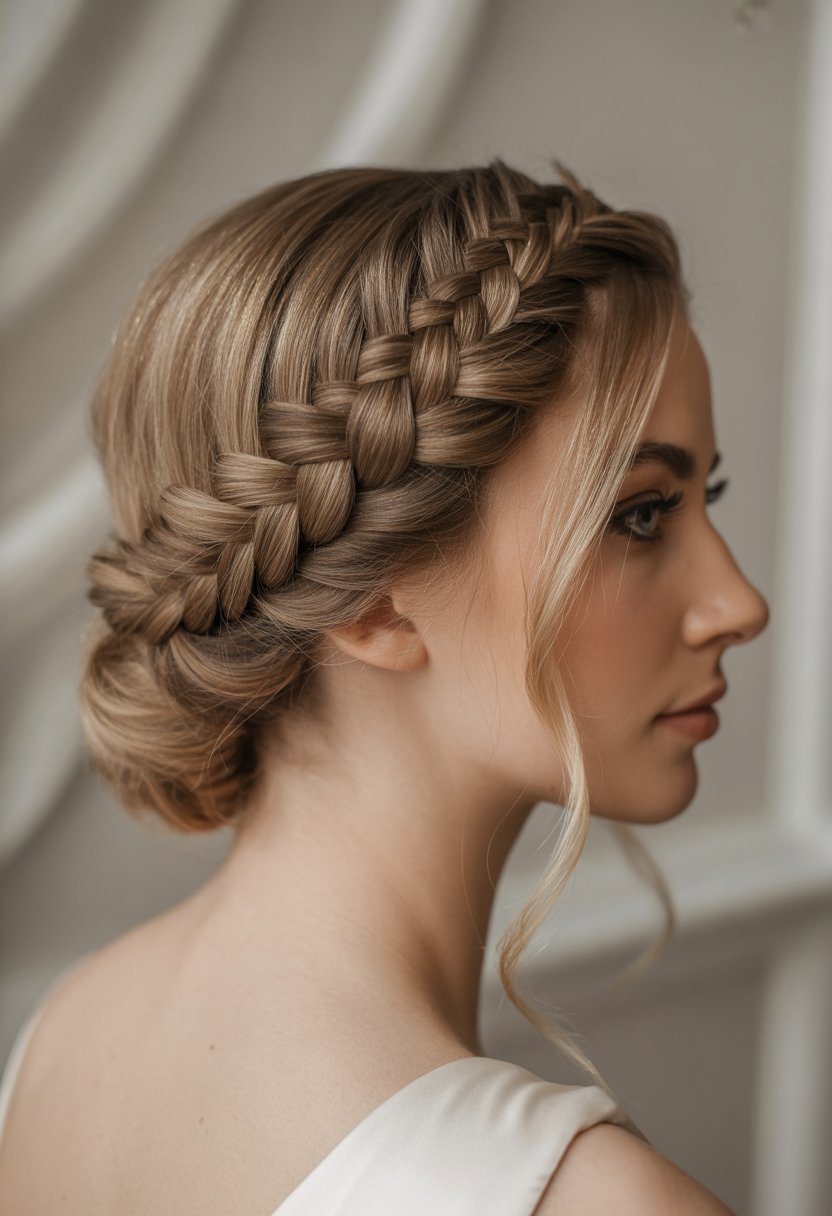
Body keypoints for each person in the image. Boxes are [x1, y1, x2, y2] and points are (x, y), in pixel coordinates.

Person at [0, 161, 767, 1213]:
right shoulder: (591, 1203)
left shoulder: (63, 1037)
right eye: (639, 514)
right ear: (375, 606)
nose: (737, 602)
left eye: (704, 497)